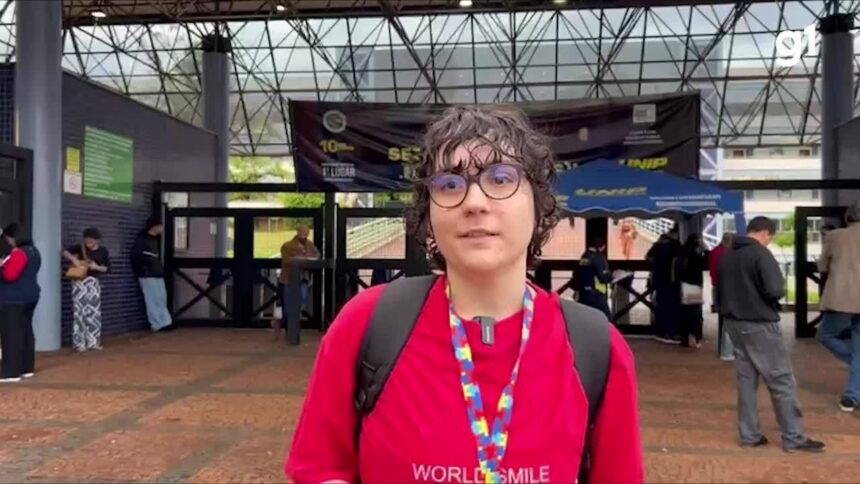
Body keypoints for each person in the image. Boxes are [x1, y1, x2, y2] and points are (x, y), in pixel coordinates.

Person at [285, 105, 643, 483]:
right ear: (428, 216)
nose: (474, 202)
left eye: (501, 178)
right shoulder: (366, 324)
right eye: (450, 185)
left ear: (538, 205)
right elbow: (319, 470)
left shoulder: (597, 348)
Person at [718, 216, 825, 453]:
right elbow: (775, 289)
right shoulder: (760, 254)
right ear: (765, 233)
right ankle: (793, 437)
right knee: (781, 380)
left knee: (747, 382)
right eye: (770, 238)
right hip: (759, 324)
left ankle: (749, 435)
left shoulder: (728, 254)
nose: (769, 242)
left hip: (733, 324)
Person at [817, 203, 860, 413]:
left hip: (842, 298)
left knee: (826, 335)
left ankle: (852, 394)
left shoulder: (835, 236)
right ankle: (851, 395)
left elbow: (822, 266)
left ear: (848, 218)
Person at [0, 224, 41, 383]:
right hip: (30, 295)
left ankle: (11, 372)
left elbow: (10, 275)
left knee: (11, 334)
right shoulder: (34, 251)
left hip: (14, 298)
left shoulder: (18, 253)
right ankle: (26, 368)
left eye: (8, 238)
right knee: (26, 331)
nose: (8, 242)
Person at [63, 227, 110, 352]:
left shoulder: (103, 251)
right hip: (79, 282)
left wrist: (96, 267)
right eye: (87, 240)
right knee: (79, 312)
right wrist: (74, 260)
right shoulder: (80, 247)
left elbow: (107, 268)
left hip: (93, 283)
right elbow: (65, 252)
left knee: (94, 312)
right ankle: (79, 342)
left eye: (91, 241)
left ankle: (93, 342)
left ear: (97, 240)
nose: (88, 243)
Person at [130, 217, 173, 332]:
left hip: (157, 273)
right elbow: (135, 256)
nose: (162, 228)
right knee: (152, 299)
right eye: (160, 226)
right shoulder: (142, 239)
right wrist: (142, 270)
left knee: (161, 297)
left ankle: (165, 321)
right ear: (154, 227)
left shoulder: (155, 239)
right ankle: (157, 324)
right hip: (147, 274)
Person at [646, 227, 682, 344]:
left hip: (659, 281)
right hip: (672, 282)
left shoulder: (658, 245)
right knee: (673, 308)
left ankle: (661, 332)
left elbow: (648, 258)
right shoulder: (676, 246)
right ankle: (672, 332)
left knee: (661, 306)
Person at [279, 223, 320, 319]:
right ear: (297, 232)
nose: (304, 234)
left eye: (306, 232)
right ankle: (287, 322)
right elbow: (285, 260)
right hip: (289, 278)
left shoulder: (310, 244)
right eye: (302, 231)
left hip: (303, 277)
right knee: (289, 302)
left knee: (303, 298)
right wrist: (299, 258)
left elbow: (317, 255)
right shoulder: (287, 245)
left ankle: (296, 316)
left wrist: (310, 258)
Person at [678, 234, 708, 348]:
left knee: (685, 314)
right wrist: (705, 249)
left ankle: (684, 340)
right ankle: (697, 338)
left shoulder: (682, 254)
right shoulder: (695, 256)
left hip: (683, 285)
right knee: (695, 314)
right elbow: (706, 263)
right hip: (694, 286)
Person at [709, 232, 735, 360]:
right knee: (728, 318)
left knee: (721, 316)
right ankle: (726, 349)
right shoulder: (729, 254)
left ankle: (722, 347)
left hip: (716, 285)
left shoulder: (714, 252)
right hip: (727, 287)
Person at [574, 236, 612, 318]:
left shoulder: (584, 257)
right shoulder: (598, 258)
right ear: (601, 246)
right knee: (606, 320)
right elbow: (603, 278)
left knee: (586, 319)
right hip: (596, 294)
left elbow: (576, 274)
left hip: (583, 294)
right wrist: (612, 277)